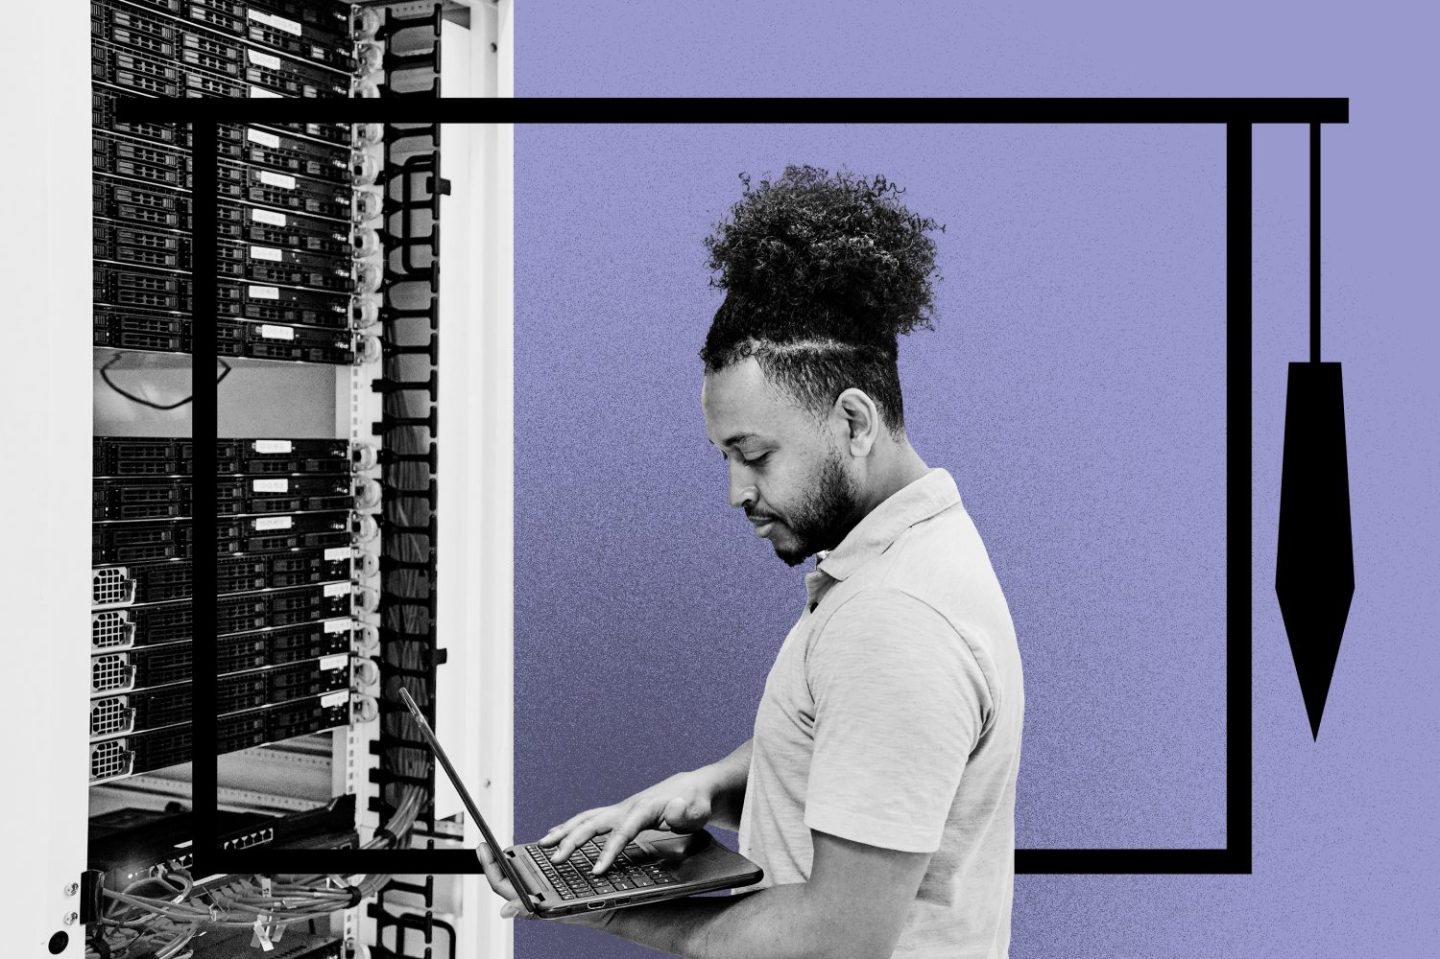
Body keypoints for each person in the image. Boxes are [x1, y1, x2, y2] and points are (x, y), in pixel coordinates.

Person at [481, 165, 1024, 959]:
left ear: (853, 421)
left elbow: (835, 937)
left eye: (755, 454)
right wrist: (709, 785)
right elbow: (852, 753)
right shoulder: (909, 553)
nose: (737, 491)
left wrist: (603, 909)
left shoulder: (896, 621)